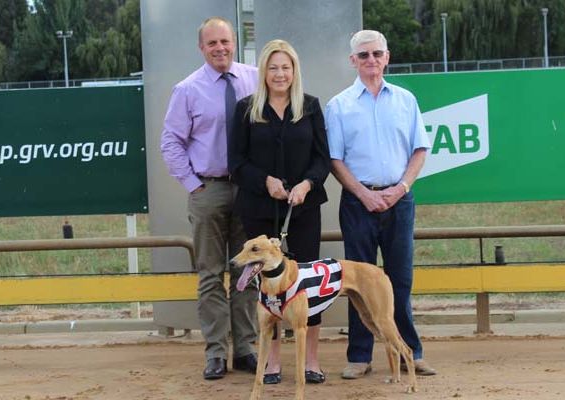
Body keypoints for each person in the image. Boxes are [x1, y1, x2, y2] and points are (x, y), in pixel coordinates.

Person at [325, 30, 436, 379]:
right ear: (352, 61)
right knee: (357, 282)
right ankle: (359, 357)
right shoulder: (338, 105)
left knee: (400, 279)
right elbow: (335, 159)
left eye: (376, 54)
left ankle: (410, 353)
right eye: (363, 55)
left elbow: (420, 149)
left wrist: (401, 188)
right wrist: (364, 193)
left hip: (399, 201)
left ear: (387, 57)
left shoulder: (406, 100)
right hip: (359, 203)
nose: (371, 60)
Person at [160, 17, 259, 380]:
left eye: (225, 41)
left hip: (249, 190)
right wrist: (193, 184)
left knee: (248, 272)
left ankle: (246, 349)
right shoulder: (187, 89)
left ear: (235, 42)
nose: (220, 48)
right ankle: (216, 352)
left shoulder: (255, 77)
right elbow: (171, 141)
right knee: (210, 275)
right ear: (201, 48)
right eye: (212, 43)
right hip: (209, 188)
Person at [228, 39, 330, 385]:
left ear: (294, 70)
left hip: (303, 211)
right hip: (258, 210)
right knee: (268, 289)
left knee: (306, 289)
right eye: (273, 67)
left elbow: (322, 158)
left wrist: (307, 185)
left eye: (286, 67)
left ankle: (310, 361)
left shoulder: (312, 106)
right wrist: (265, 181)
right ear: (263, 72)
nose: (280, 74)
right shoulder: (246, 109)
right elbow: (236, 163)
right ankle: (272, 362)